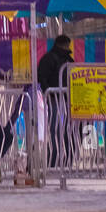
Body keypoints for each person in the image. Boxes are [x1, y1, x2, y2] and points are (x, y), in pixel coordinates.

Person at [37, 35, 75, 167]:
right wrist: (49, 92)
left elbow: (42, 77)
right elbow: (42, 78)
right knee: (56, 129)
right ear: (64, 44)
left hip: (61, 98)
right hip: (57, 98)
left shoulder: (61, 58)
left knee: (61, 129)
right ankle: (55, 158)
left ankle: (61, 158)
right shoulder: (57, 59)